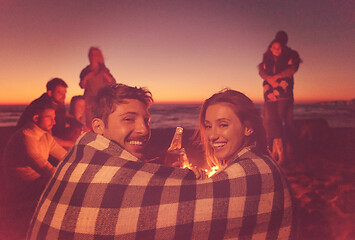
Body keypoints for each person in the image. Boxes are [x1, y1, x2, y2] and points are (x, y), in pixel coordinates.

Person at [28, 85, 295, 239]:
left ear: (248, 128)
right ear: (97, 127)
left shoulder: (78, 158)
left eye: (146, 120)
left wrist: (163, 172)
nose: (144, 129)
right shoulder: (88, 168)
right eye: (129, 119)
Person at [2, 100, 67, 238]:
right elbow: (50, 172)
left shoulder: (44, 136)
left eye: (54, 118)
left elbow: (66, 157)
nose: (54, 122)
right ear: (36, 118)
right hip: (24, 190)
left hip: (39, 183)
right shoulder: (25, 139)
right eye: (49, 118)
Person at [258, 31, 301, 164]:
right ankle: (276, 150)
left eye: (279, 47)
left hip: (284, 94)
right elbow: (262, 72)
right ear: (271, 47)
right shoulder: (267, 58)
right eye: (275, 47)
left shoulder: (290, 54)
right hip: (269, 93)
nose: (277, 49)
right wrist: (269, 81)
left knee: (281, 121)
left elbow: (292, 69)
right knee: (270, 121)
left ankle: (284, 151)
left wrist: (276, 78)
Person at [17, 78, 81, 148]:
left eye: (65, 93)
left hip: (54, 136)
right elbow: (47, 137)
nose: (63, 96)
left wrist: (81, 126)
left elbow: (66, 115)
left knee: (78, 130)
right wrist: (71, 144)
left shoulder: (58, 103)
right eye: (59, 92)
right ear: (50, 93)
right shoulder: (42, 107)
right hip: (32, 142)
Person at [79, 47, 116, 129]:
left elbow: (113, 82)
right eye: (91, 54)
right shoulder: (85, 70)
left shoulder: (103, 69)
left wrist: (105, 75)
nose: (93, 56)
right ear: (89, 56)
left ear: (98, 56)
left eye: (95, 54)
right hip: (89, 101)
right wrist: (86, 77)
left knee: (102, 122)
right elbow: (82, 85)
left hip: (102, 100)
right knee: (90, 123)